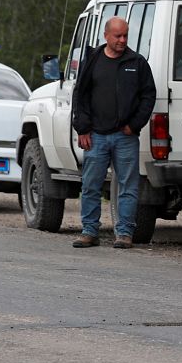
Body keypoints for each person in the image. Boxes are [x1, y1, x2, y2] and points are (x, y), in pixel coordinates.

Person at [71, 16, 157, 249]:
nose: (122, 40)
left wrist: (134, 125)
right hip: (96, 136)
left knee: (128, 187)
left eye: (125, 35)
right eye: (118, 36)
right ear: (106, 35)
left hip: (125, 137)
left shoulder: (137, 63)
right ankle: (89, 231)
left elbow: (148, 96)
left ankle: (125, 233)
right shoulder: (92, 60)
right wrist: (83, 128)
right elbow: (80, 95)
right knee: (91, 185)